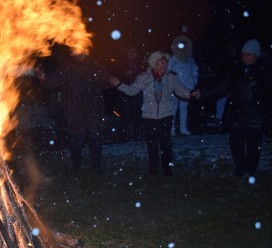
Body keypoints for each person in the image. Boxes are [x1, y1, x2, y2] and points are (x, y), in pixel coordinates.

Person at [111, 51, 200, 175]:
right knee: (152, 144)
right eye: (162, 63)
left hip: (166, 115)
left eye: (166, 63)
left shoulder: (170, 77)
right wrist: (119, 84)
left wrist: (191, 93)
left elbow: (180, 91)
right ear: (154, 63)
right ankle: (154, 168)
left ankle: (167, 169)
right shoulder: (144, 77)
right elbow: (131, 91)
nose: (164, 65)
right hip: (149, 116)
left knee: (166, 143)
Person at [39, 45, 115, 175]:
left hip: (93, 109)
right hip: (74, 110)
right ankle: (76, 167)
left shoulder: (94, 64)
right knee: (76, 138)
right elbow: (53, 82)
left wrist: (111, 80)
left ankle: (96, 167)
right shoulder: (68, 66)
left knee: (94, 137)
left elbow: (107, 80)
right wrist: (43, 77)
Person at [201, 39, 272, 177]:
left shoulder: (262, 72)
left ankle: (251, 169)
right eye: (244, 54)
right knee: (236, 144)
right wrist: (201, 93)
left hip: (255, 116)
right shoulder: (235, 71)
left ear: (256, 56)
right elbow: (221, 87)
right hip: (237, 115)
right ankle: (240, 167)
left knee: (253, 146)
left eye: (249, 54)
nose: (245, 57)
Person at [169, 35, 199, 136]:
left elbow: (195, 71)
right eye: (180, 47)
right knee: (173, 109)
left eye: (184, 47)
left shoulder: (190, 60)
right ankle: (171, 129)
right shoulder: (173, 60)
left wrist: (193, 82)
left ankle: (183, 128)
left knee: (184, 109)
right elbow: (170, 72)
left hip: (188, 88)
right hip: (175, 89)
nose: (183, 49)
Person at [113, 46, 144, 141]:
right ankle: (123, 136)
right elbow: (116, 78)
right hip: (124, 92)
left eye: (134, 51)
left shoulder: (140, 64)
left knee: (137, 114)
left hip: (137, 92)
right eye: (130, 51)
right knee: (124, 114)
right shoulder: (121, 63)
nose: (132, 53)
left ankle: (138, 134)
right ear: (127, 52)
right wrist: (124, 75)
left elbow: (143, 75)